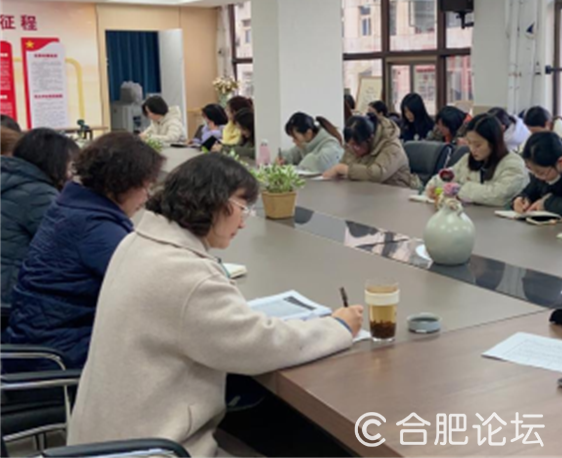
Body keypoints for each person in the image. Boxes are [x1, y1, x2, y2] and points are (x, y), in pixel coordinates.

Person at [67, 154, 363, 457]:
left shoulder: (136, 241)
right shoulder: (188, 276)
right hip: (151, 447)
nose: (244, 222)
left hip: (104, 439)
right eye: (242, 208)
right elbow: (260, 345)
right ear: (214, 201)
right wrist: (338, 327)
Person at [5, 133, 164, 368]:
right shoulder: (94, 227)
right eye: (145, 186)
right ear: (122, 183)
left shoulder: (72, 207)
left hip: (41, 339)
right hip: (62, 354)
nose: (147, 197)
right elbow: (152, 287)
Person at [1, 129, 79, 300]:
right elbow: (65, 245)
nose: (70, 175)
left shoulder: (9, 179)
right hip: (11, 294)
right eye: (69, 166)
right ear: (54, 162)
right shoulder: (39, 194)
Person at [424, 114, 528, 207]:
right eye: (469, 143)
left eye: (478, 145)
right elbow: (446, 177)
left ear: (494, 142)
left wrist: (458, 190)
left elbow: (499, 196)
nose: (472, 149)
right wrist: (434, 188)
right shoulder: (468, 159)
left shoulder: (513, 163)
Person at [323, 114, 419, 189]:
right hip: (365, 194)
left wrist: (344, 170)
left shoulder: (392, 146)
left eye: (356, 145)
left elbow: (377, 174)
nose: (352, 149)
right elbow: (345, 163)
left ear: (370, 138)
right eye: (349, 145)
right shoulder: (354, 144)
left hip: (395, 195)